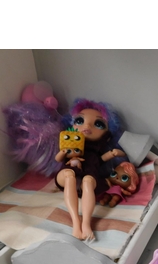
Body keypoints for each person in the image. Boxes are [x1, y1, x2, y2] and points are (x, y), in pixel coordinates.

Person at [54, 99, 127, 241]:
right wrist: (64, 151)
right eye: (80, 120)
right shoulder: (69, 143)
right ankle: (76, 223)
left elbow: (101, 160)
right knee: (69, 174)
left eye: (98, 124)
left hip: (89, 175)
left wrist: (114, 153)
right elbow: (58, 159)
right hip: (69, 174)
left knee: (88, 180)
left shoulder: (96, 152)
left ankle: (86, 224)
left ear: (107, 133)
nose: (87, 126)